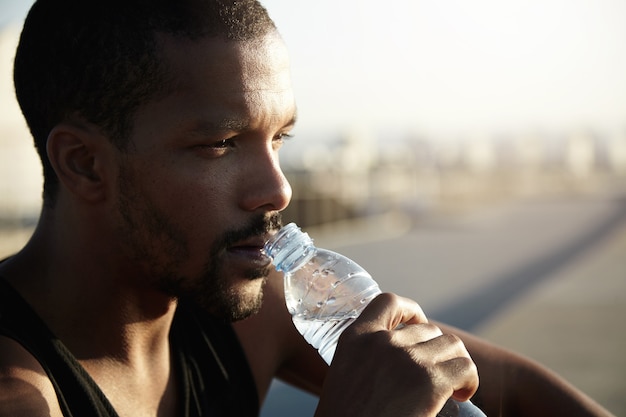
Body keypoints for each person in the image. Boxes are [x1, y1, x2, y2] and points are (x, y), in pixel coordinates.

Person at [0, 0, 613, 416]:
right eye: (219, 144)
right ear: (84, 163)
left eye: (279, 139)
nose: (278, 189)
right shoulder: (20, 393)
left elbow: (513, 390)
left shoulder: (251, 313)